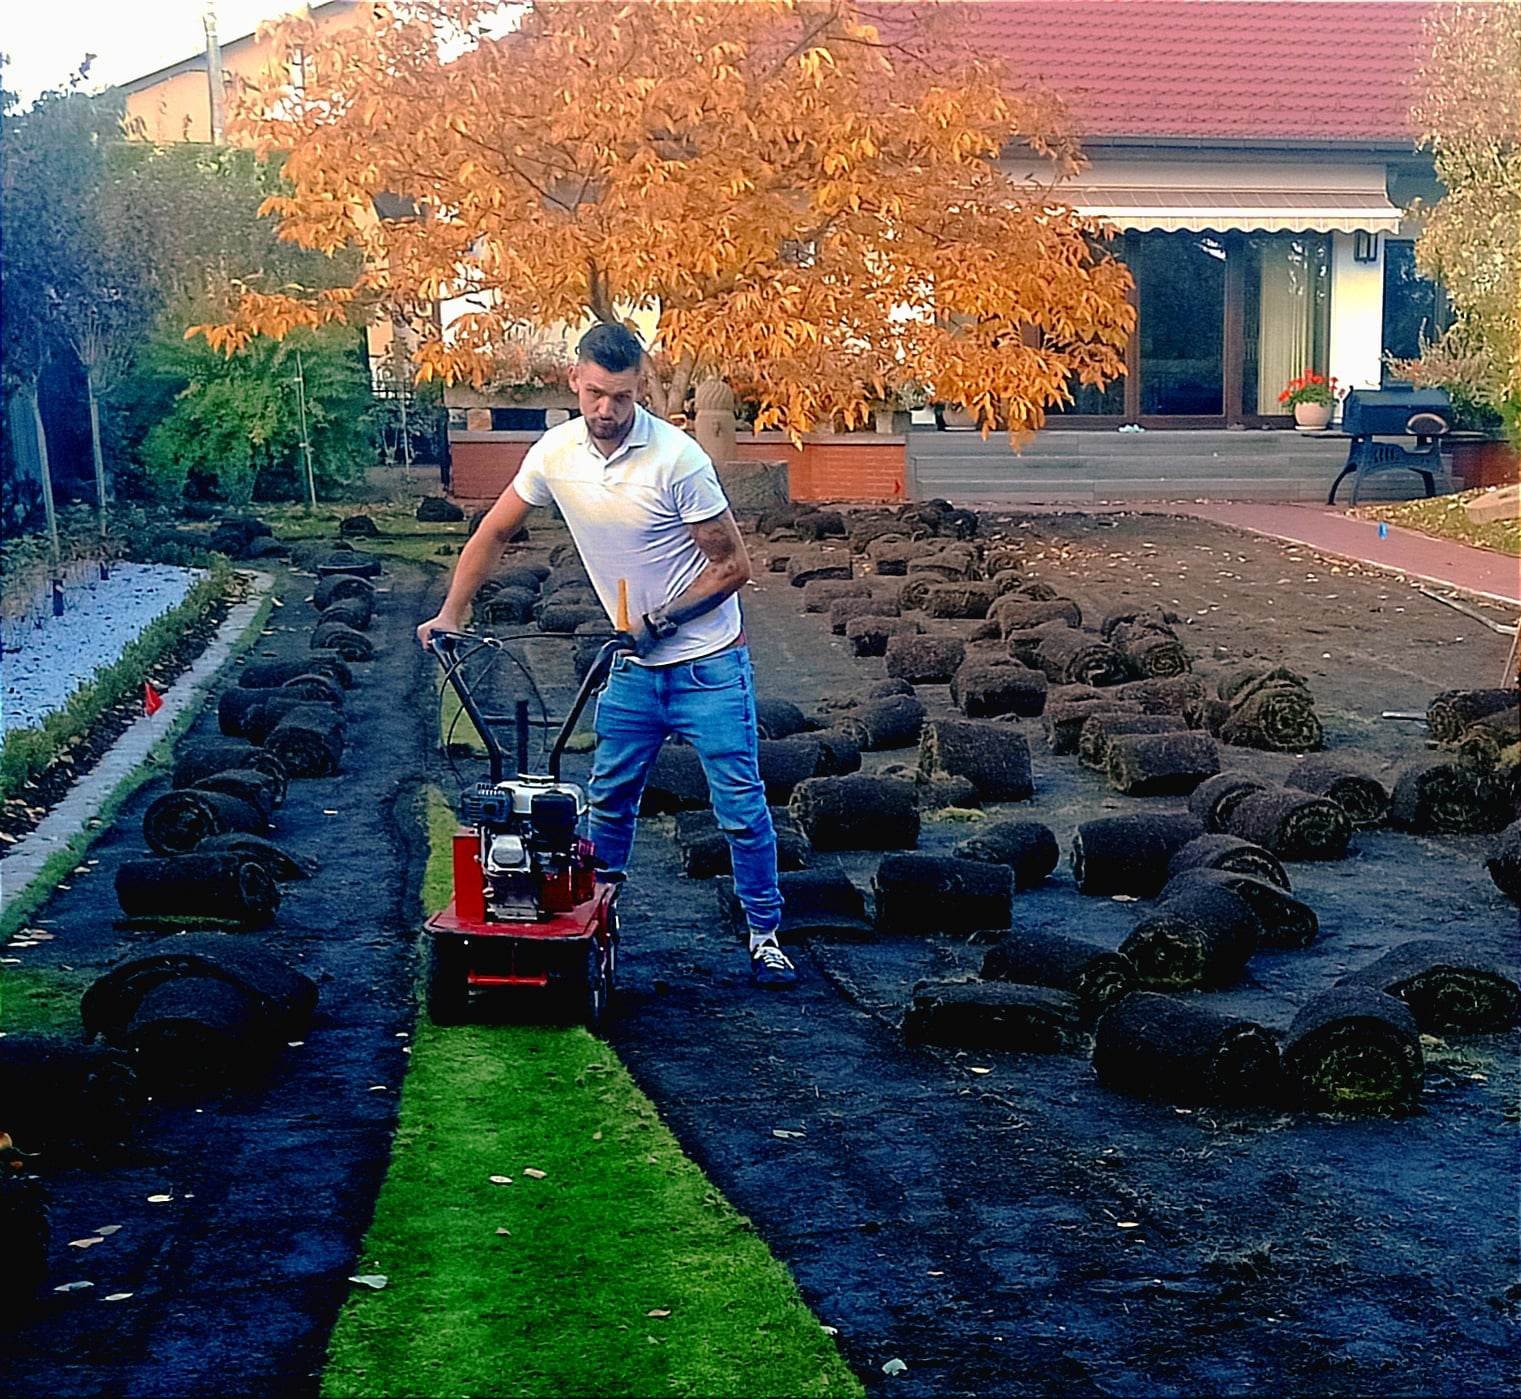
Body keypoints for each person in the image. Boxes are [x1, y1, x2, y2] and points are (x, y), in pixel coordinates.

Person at [416, 324, 794, 988]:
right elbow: (496, 529)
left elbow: (733, 567)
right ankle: (594, 924)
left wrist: (661, 619)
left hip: (707, 665)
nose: (605, 411)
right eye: (594, 394)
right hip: (631, 668)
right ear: (574, 380)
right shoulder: (554, 453)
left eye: (620, 397)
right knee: (608, 800)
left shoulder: (677, 460)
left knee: (738, 805)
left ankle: (763, 933)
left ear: (639, 387)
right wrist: (451, 612)